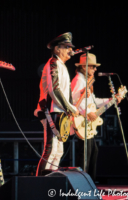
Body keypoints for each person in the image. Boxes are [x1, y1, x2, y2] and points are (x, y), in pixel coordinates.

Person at [71, 53, 122, 180]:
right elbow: (72, 100)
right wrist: (86, 112)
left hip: (87, 123)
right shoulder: (78, 80)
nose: (95, 69)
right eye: (93, 66)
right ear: (84, 66)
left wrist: (111, 99)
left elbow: (95, 101)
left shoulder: (86, 81)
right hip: (81, 121)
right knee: (85, 155)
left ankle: (89, 182)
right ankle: (82, 183)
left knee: (92, 152)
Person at [35, 32, 79, 176]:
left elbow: (64, 92)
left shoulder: (61, 65)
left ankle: (50, 180)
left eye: (70, 47)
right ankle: (40, 184)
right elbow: (54, 89)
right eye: (67, 47)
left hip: (58, 111)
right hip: (51, 111)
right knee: (51, 148)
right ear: (57, 49)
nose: (70, 50)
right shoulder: (53, 63)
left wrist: (68, 109)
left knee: (58, 150)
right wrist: (69, 107)